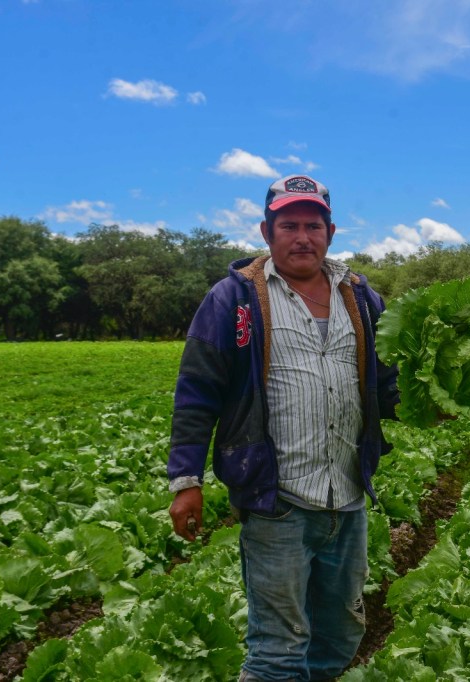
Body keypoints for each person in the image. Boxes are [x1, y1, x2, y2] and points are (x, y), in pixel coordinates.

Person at [167, 174, 399, 681]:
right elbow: (196, 393)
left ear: (330, 232)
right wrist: (186, 481)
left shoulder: (361, 299)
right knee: (277, 649)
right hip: (277, 502)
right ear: (266, 231)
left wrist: (434, 398)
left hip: (347, 498)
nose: (302, 236)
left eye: (312, 225)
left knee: (339, 636)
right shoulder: (234, 300)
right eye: (288, 225)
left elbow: (386, 382)